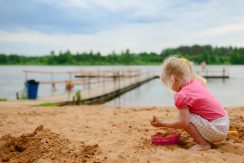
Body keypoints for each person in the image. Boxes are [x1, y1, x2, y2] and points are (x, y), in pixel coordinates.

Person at [151, 56, 229, 151]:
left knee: (186, 118)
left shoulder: (182, 95)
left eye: (168, 85)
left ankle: (203, 144)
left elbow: (183, 123)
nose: (171, 89)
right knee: (187, 114)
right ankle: (204, 139)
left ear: (172, 79)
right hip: (223, 123)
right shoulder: (195, 82)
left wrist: (162, 123)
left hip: (217, 130)